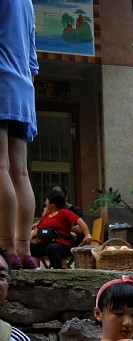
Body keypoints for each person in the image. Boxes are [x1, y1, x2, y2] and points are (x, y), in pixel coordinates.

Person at [0, 1, 39, 270]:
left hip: (1, 78)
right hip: (23, 91)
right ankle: (23, 249)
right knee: (20, 173)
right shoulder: (28, 4)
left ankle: (5, 248)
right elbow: (33, 63)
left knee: (0, 166)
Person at [30, 188, 94, 269]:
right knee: (28, 247)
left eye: (46, 200)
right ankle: (32, 268)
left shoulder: (64, 212)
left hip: (61, 245)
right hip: (45, 244)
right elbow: (36, 231)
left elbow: (80, 221)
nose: (45, 202)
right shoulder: (46, 216)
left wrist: (87, 235)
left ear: (53, 203)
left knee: (52, 248)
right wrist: (26, 239)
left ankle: (58, 271)